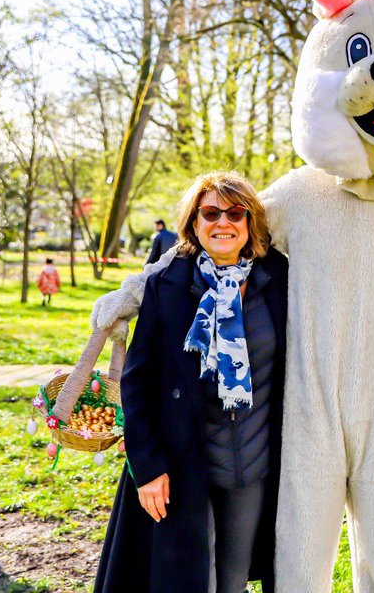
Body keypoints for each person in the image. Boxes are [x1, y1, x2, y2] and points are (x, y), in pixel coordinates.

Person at [95, 171, 287, 593]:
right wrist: (146, 469)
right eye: (211, 213)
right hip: (184, 467)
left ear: (251, 221)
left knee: (234, 580)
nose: (224, 223)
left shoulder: (279, 280)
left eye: (236, 213)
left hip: (254, 468)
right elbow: (137, 382)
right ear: (194, 224)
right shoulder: (168, 285)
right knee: (190, 581)